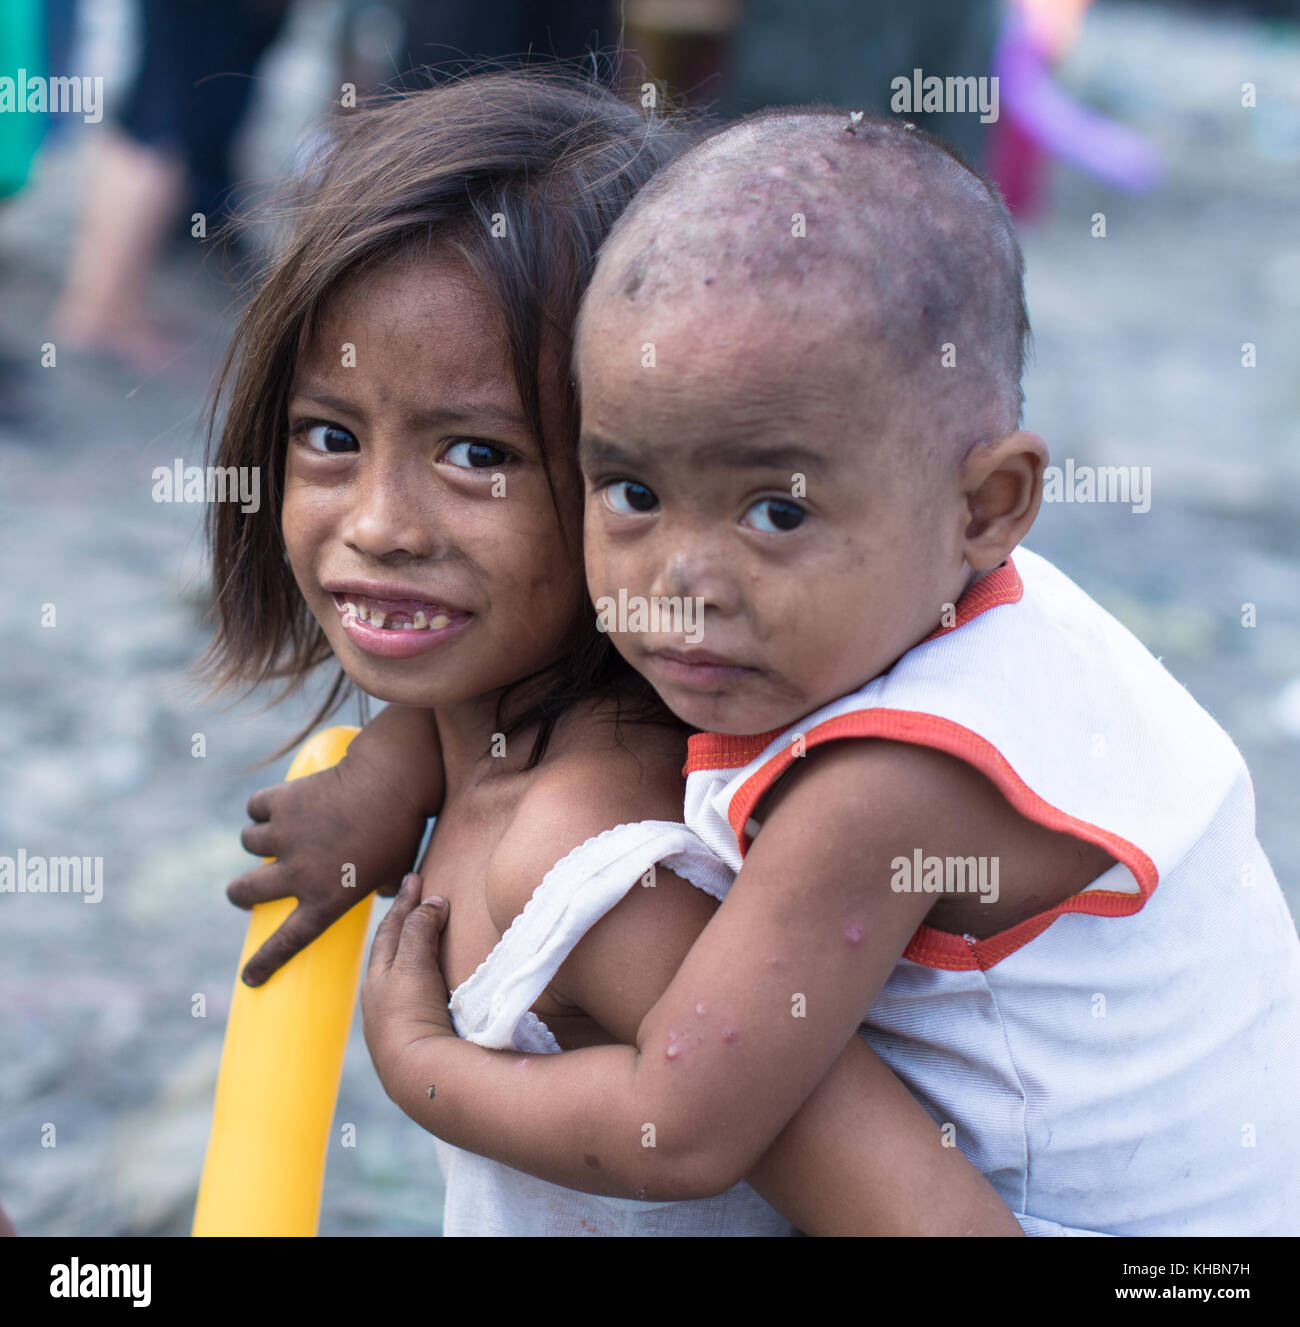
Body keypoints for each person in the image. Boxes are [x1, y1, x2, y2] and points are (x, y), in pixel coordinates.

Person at [353, 109, 1300, 1235]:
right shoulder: (961, 606)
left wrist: (419, 1063)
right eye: (632, 493)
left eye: (777, 509)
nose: (684, 582)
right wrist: (384, 766)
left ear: (986, 505)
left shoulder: (885, 789)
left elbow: (682, 1127)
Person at [209, 71, 1021, 1236]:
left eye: (478, 454)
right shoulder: (515, 723)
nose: (380, 521)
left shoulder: (592, 869)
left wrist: (419, 1064)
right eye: (330, 436)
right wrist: (396, 771)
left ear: (635, 461)